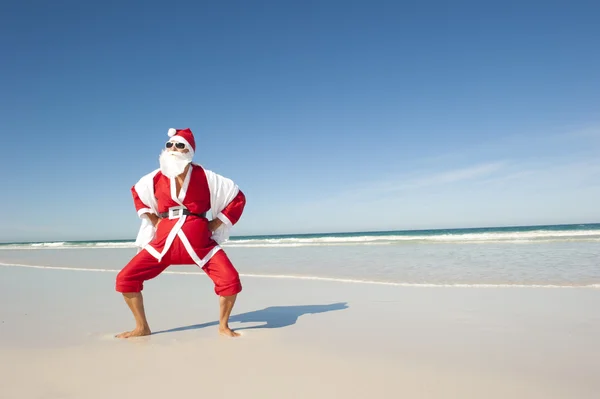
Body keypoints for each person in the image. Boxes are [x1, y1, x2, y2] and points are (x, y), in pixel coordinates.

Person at [115, 127, 246, 338]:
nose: (173, 148)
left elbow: (237, 198)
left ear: (190, 151)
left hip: (201, 246)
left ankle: (223, 326)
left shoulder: (206, 176)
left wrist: (215, 223)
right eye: (170, 145)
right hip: (162, 245)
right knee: (125, 278)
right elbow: (137, 193)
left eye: (180, 145)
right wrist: (155, 220)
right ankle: (142, 327)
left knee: (230, 281)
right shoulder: (154, 178)